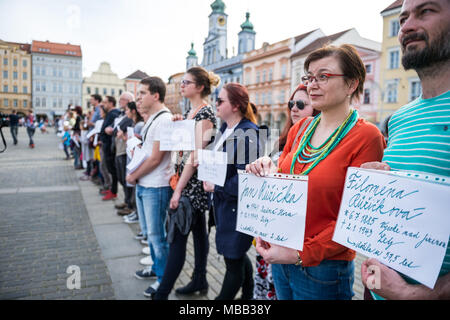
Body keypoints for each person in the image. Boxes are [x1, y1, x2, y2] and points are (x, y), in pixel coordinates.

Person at [246, 44, 386, 300]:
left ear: (352, 83)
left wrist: (301, 254)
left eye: (323, 76)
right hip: (281, 253)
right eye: (309, 76)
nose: (312, 84)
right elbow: (283, 178)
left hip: (323, 268)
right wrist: (265, 168)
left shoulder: (367, 136)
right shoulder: (302, 128)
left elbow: (357, 220)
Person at [361, 0, 450, 300]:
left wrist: (414, 295)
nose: (407, 26)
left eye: (426, 11)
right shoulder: (399, 118)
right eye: (402, 18)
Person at [152, 67, 219, 300]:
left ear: (200, 87)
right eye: (181, 82)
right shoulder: (190, 112)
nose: (181, 86)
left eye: (186, 82)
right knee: (199, 235)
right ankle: (199, 280)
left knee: (177, 239)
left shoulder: (206, 114)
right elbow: (181, 149)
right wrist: (178, 125)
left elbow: (195, 156)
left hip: (192, 186)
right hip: (186, 181)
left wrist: (178, 190)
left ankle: (162, 293)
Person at [253, 84, 317, 301]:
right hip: (271, 233)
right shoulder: (283, 139)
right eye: (291, 104)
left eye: (301, 104)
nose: (294, 109)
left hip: (298, 243)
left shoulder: (320, 145)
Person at [203, 83, 261, 300]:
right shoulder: (224, 128)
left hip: (237, 209)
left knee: (233, 260)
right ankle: (248, 297)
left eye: (220, 101)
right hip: (223, 206)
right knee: (235, 256)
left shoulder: (250, 133)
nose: (215, 104)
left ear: (235, 105)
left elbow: (247, 180)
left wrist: (215, 185)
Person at [126, 77, 174, 298]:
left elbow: (156, 158)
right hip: (146, 184)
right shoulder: (153, 119)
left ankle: (163, 279)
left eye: (143, 93)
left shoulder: (164, 120)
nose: (139, 98)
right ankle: (156, 268)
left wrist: (133, 175)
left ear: (156, 95)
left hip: (156, 185)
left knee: (157, 236)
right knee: (150, 234)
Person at [113, 92, 136, 216]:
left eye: (122, 99)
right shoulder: (123, 115)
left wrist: (123, 136)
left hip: (124, 151)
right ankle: (127, 202)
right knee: (122, 178)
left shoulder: (132, 120)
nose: (119, 101)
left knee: (127, 180)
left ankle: (130, 204)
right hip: (121, 150)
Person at [100, 96, 121, 200]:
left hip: (110, 146)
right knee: (109, 168)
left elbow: (114, 128)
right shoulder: (110, 113)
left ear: (111, 103)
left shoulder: (114, 113)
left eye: (105, 102)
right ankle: (112, 189)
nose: (103, 104)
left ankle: (114, 191)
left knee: (112, 169)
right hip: (107, 145)